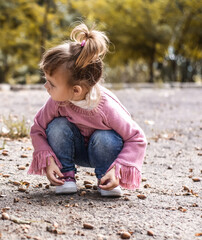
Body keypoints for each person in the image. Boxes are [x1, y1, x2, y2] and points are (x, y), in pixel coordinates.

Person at [28, 23, 147, 197]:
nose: (46, 86)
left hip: (103, 150)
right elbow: (37, 129)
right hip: (73, 149)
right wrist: (49, 160)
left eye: (51, 84)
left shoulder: (106, 106)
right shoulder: (57, 102)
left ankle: (106, 179)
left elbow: (136, 138)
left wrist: (118, 169)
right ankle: (65, 175)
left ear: (75, 90)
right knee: (57, 126)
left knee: (105, 137)